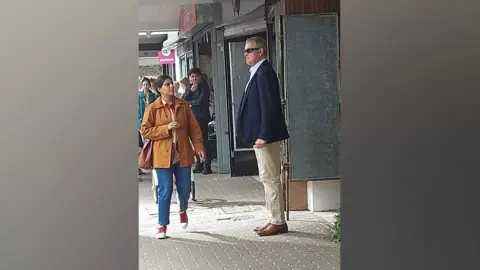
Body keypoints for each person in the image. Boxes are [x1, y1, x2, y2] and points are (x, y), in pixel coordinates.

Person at [236, 37, 290, 236]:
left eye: (250, 50)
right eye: (245, 51)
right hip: (260, 137)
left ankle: (278, 221)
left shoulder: (264, 72)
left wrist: (264, 135)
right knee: (266, 177)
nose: (246, 54)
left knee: (271, 177)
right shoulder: (257, 72)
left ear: (261, 51)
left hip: (264, 137)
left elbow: (270, 106)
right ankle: (273, 217)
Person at [141, 75, 205, 239]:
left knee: (185, 188)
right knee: (165, 189)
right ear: (159, 89)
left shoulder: (183, 105)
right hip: (162, 156)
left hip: (182, 153)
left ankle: (182, 209)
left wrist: (198, 147)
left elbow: (194, 128)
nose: (171, 87)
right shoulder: (152, 108)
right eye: (167, 85)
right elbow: (146, 131)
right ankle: (162, 225)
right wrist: (166, 128)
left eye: (171, 84)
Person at [183, 67, 212, 175]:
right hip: (192, 118)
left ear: (200, 77)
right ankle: (199, 164)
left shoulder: (204, 86)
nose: (194, 78)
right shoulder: (189, 88)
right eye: (192, 76)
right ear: (189, 78)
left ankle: (207, 166)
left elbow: (200, 101)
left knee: (204, 141)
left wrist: (189, 103)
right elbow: (183, 100)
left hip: (202, 118)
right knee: (195, 142)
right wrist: (191, 91)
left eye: (196, 76)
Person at [138, 77, 158, 176]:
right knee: (144, 144)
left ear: (150, 85)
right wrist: (139, 123)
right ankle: (144, 161)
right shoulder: (139, 97)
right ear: (142, 85)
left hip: (152, 123)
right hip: (142, 123)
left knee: (151, 142)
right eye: (144, 84)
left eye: (147, 84)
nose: (146, 86)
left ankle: (153, 162)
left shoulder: (153, 96)